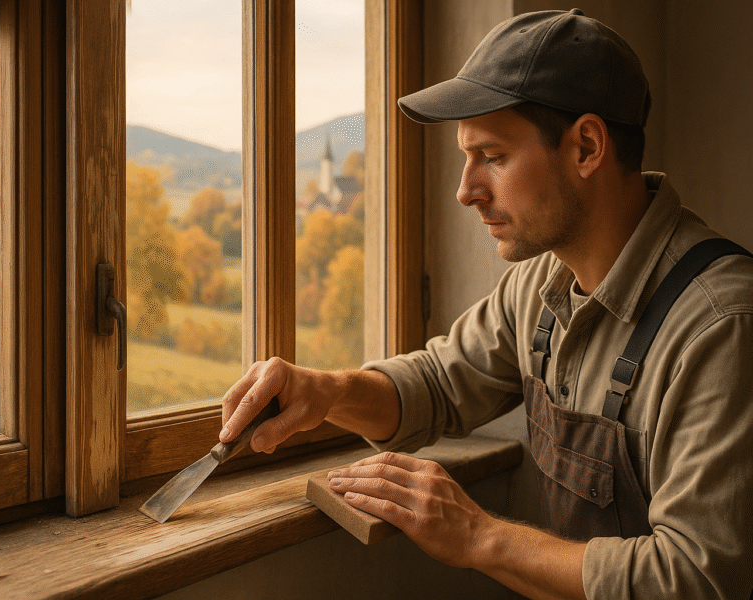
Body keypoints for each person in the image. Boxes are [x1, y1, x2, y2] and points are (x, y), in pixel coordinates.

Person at [219, 9, 753, 600]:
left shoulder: (721, 327)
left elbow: (694, 580)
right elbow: (438, 386)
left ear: (587, 147)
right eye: (466, 158)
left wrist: (478, 537)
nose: (465, 190)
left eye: (492, 156)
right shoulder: (541, 286)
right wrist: (327, 392)